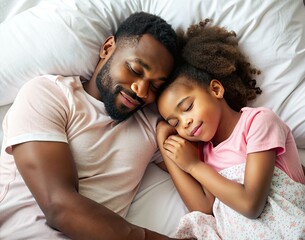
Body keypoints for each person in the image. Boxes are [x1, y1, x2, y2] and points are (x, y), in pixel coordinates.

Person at [0, 12, 192, 240]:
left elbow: (205, 178)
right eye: (135, 70)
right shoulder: (49, 94)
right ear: (107, 48)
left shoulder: (152, 129)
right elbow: (59, 206)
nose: (141, 90)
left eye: (155, 86)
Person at [156, 20, 305, 239]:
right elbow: (204, 209)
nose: (183, 123)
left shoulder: (258, 122)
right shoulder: (204, 153)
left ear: (215, 89)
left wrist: (194, 166)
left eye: (187, 107)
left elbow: (251, 204)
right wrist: (163, 139)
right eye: (175, 122)